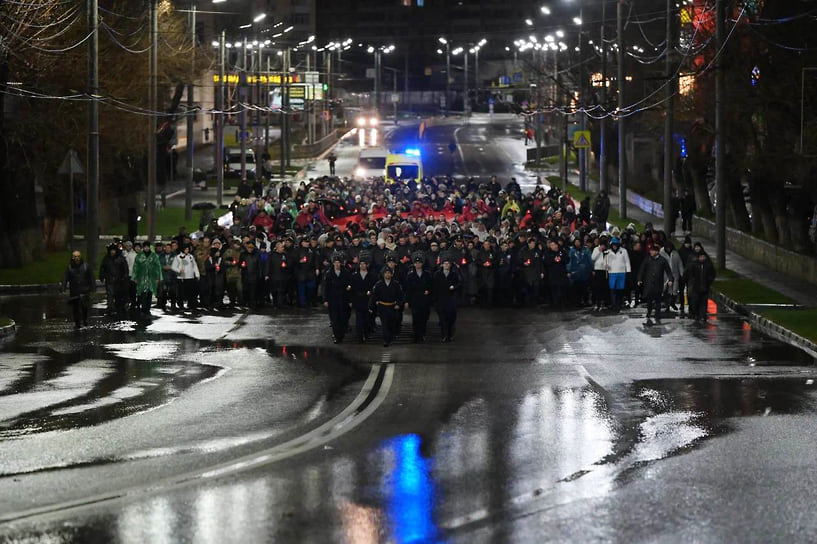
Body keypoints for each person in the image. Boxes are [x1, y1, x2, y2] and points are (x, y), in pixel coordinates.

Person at [638, 245, 673, 326]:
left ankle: (658, 314)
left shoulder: (662, 260)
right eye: (651, 251)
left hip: (658, 283)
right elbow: (642, 269)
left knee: (658, 299)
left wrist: (670, 279)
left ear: (657, 252)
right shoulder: (647, 259)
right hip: (649, 283)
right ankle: (649, 312)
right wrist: (639, 279)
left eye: (653, 251)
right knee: (649, 299)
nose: (651, 252)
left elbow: (668, 271)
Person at [370, 266, 404, 347]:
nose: (387, 274)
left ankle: (391, 337)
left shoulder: (396, 284)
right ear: (383, 274)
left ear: (392, 274)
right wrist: (371, 306)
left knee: (391, 324)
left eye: (389, 273)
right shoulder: (379, 284)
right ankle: (386, 340)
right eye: (386, 273)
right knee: (384, 324)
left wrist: (398, 304)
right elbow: (374, 296)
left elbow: (401, 296)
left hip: (392, 307)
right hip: (383, 307)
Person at [324, 254, 353, 343]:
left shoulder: (346, 273)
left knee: (343, 318)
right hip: (333, 299)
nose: (337, 264)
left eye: (338, 263)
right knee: (334, 319)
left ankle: (342, 333)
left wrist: (350, 300)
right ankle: (337, 336)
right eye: (335, 263)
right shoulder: (329, 274)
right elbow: (326, 288)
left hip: (343, 299)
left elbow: (350, 285)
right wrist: (325, 300)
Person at [404, 255, 433, 342]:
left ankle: (422, 334)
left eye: (419, 263)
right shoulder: (410, 275)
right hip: (415, 299)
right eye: (416, 263)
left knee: (424, 318)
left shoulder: (427, 274)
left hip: (424, 299)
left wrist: (428, 291)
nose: (418, 264)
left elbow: (431, 286)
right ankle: (416, 335)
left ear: (422, 264)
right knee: (416, 318)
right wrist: (407, 301)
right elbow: (408, 289)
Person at [63, 250, 94, 329]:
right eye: (75, 256)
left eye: (78, 256)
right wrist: (63, 287)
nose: (76, 258)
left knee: (84, 307)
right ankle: (77, 323)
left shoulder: (86, 266)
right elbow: (65, 278)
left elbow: (91, 277)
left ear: (80, 257)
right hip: (74, 290)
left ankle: (84, 320)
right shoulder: (69, 268)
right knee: (75, 308)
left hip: (84, 289)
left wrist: (92, 287)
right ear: (72, 258)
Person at [684, 249, 716, 323]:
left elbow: (712, 274)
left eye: (703, 256)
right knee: (695, 302)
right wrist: (692, 281)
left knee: (704, 303)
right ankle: (697, 314)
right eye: (700, 257)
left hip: (705, 287)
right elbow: (689, 274)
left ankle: (702, 316)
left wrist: (709, 281)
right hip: (696, 288)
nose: (702, 258)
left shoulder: (708, 265)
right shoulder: (694, 265)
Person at [433, 257, 461, 342]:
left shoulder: (454, 274)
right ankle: (444, 335)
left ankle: (450, 334)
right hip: (441, 299)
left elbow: (459, 284)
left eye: (448, 264)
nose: (446, 265)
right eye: (445, 264)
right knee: (442, 318)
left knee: (451, 318)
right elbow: (434, 286)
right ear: (442, 265)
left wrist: (454, 287)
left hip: (451, 299)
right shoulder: (437, 274)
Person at [132, 242, 163, 317]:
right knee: (142, 293)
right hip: (141, 277)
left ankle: (147, 310)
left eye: (147, 247)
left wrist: (158, 277)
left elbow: (157, 267)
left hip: (151, 278)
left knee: (149, 294)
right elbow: (135, 267)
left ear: (149, 247)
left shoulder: (154, 256)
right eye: (145, 247)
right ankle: (143, 309)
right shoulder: (139, 256)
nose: (146, 248)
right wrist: (134, 277)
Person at [99, 243, 129, 315]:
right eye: (111, 250)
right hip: (109, 279)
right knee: (110, 294)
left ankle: (118, 307)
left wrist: (125, 277)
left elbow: (125, 268)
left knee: (117, 294)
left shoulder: (120, 258)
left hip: (119, 280)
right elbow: (102, 268)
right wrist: (102, 276)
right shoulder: (106, 258)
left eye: (114, 250)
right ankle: (110, 308)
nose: (112, 252)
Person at [351, 259, 377, 341]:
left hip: (367, 300)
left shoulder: (372, 276)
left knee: (367, 318)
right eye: (361, 264)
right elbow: (352, 289)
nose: (362, 266)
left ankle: (366, 333)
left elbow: (375, 288)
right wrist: (351, 301)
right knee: (359, 319)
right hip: (358, 299)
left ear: (367, 265)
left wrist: (371, 294)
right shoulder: (355, 276)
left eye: (364, 264)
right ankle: (359, 336)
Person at [604, 237, 630, 312]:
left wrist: (628, 271)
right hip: (612, 272)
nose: (614, 246)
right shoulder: (608, 252)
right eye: (613, 245)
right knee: (612, 289)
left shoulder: (623, 251)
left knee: (620, 289)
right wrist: (606, 265)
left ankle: (618, 304)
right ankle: (613, 304)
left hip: (621, 272)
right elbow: (605, 262)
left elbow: (627, 261)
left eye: (616, 244)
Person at [172, 244, 200, 310]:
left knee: (191, 292)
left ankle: (191, 305)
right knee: (181, 293)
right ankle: (180, 305)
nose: (187, 250)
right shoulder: (178, 257)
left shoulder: (191, 257)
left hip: (190, 277)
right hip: (181, 277)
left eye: (188, 249)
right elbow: (173, 266)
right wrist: (179, 270)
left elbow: (194, 266)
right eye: (186, 249)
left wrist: (197, 274)